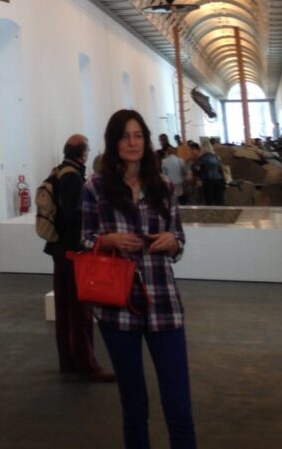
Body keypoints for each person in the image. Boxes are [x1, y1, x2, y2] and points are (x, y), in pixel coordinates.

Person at [81, 109, 196, 449]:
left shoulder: (164, 186)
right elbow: (84, 240)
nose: (132, 143)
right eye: (124, 136)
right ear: (113, 142)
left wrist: (173, 242)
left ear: (146, 141)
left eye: (138, 136)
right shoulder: (95, 188)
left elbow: (179, 241)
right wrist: (107, 241)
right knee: (133, 404)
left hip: (164, 303)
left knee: (178, 404)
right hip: (117, 306)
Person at [42, 135, 114, 382]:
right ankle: (86, 365)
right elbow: (74, 216)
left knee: (65, 310)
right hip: (73, 253)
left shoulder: (60, 171)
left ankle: (69, 362)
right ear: (83, 153)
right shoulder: (73, 177)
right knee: (80, 310)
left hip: (60, 250)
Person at [194, 138, 225, 205]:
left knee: (209, 201)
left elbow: (196, 169)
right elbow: (220, 169)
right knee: (219, 200)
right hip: (218, 180)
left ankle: (211, 214)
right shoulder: (216, 157)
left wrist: (199, 178)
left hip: (207, 181)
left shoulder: (202, 158)